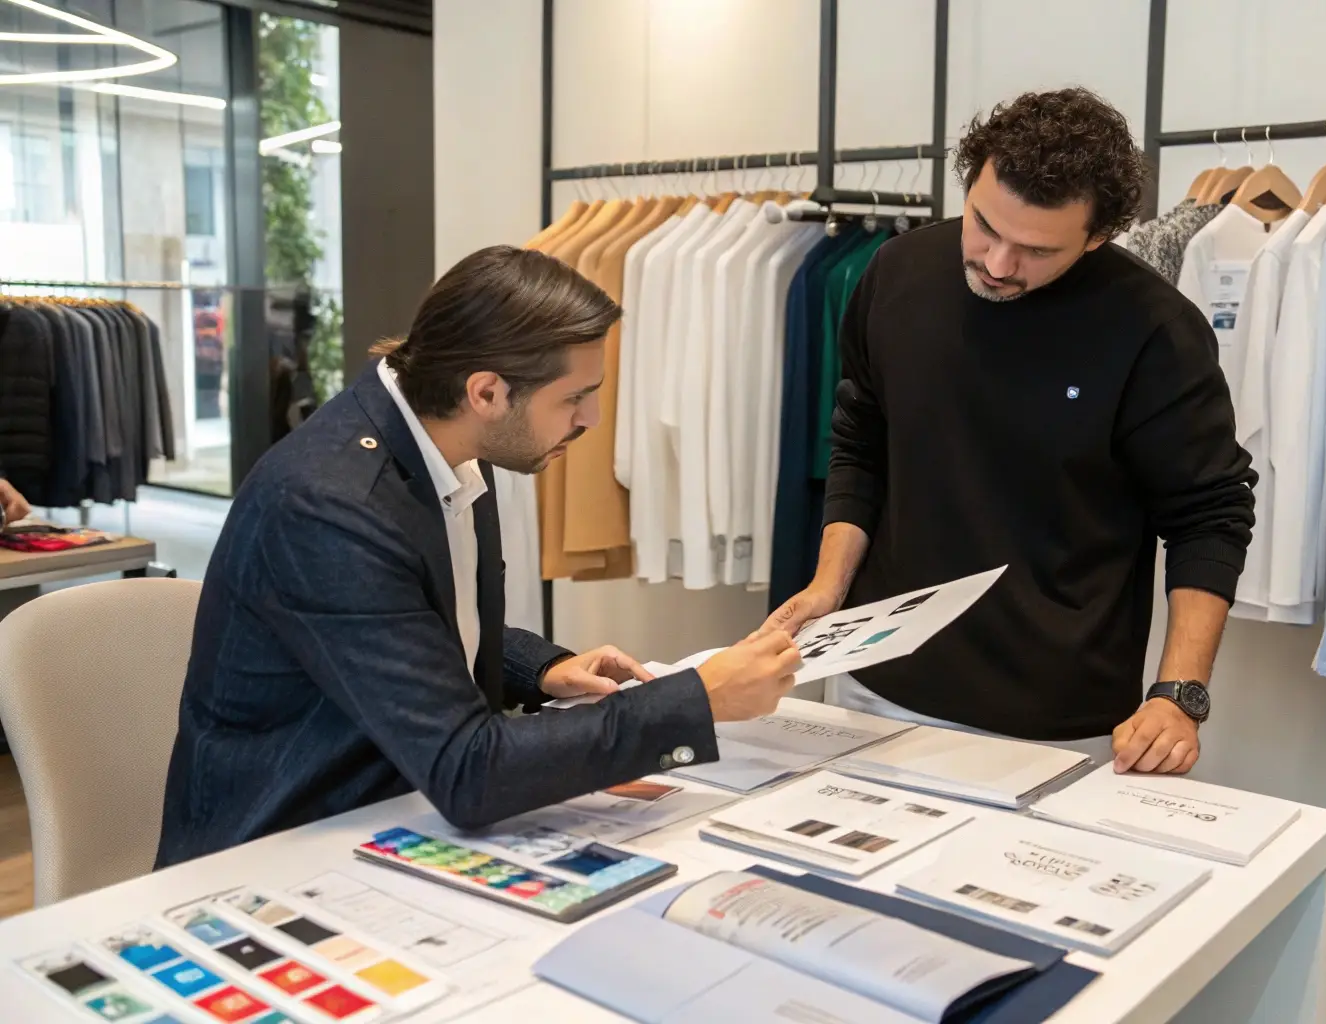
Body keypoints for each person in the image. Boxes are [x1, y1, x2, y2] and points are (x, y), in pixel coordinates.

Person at [157, 246, 801, 867]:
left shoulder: (449, 450)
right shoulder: (329, 505)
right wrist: (697, 701)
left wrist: (539, 667)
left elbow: (409, 618)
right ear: (487, 393)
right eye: (575, 397)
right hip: (284, 846)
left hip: (394, 809)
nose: (594, 418)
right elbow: (468, 769)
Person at [763, 89, 1256, 775]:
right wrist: (826, 585)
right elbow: (861, 440)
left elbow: (1210, 516)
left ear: (1097, 236)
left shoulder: (1154, 332)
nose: (996, 265)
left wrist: (1178, 694)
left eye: (1034, 251)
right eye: (983, 227)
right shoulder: (896, 273)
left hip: (1054, 725)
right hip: (874, 685)